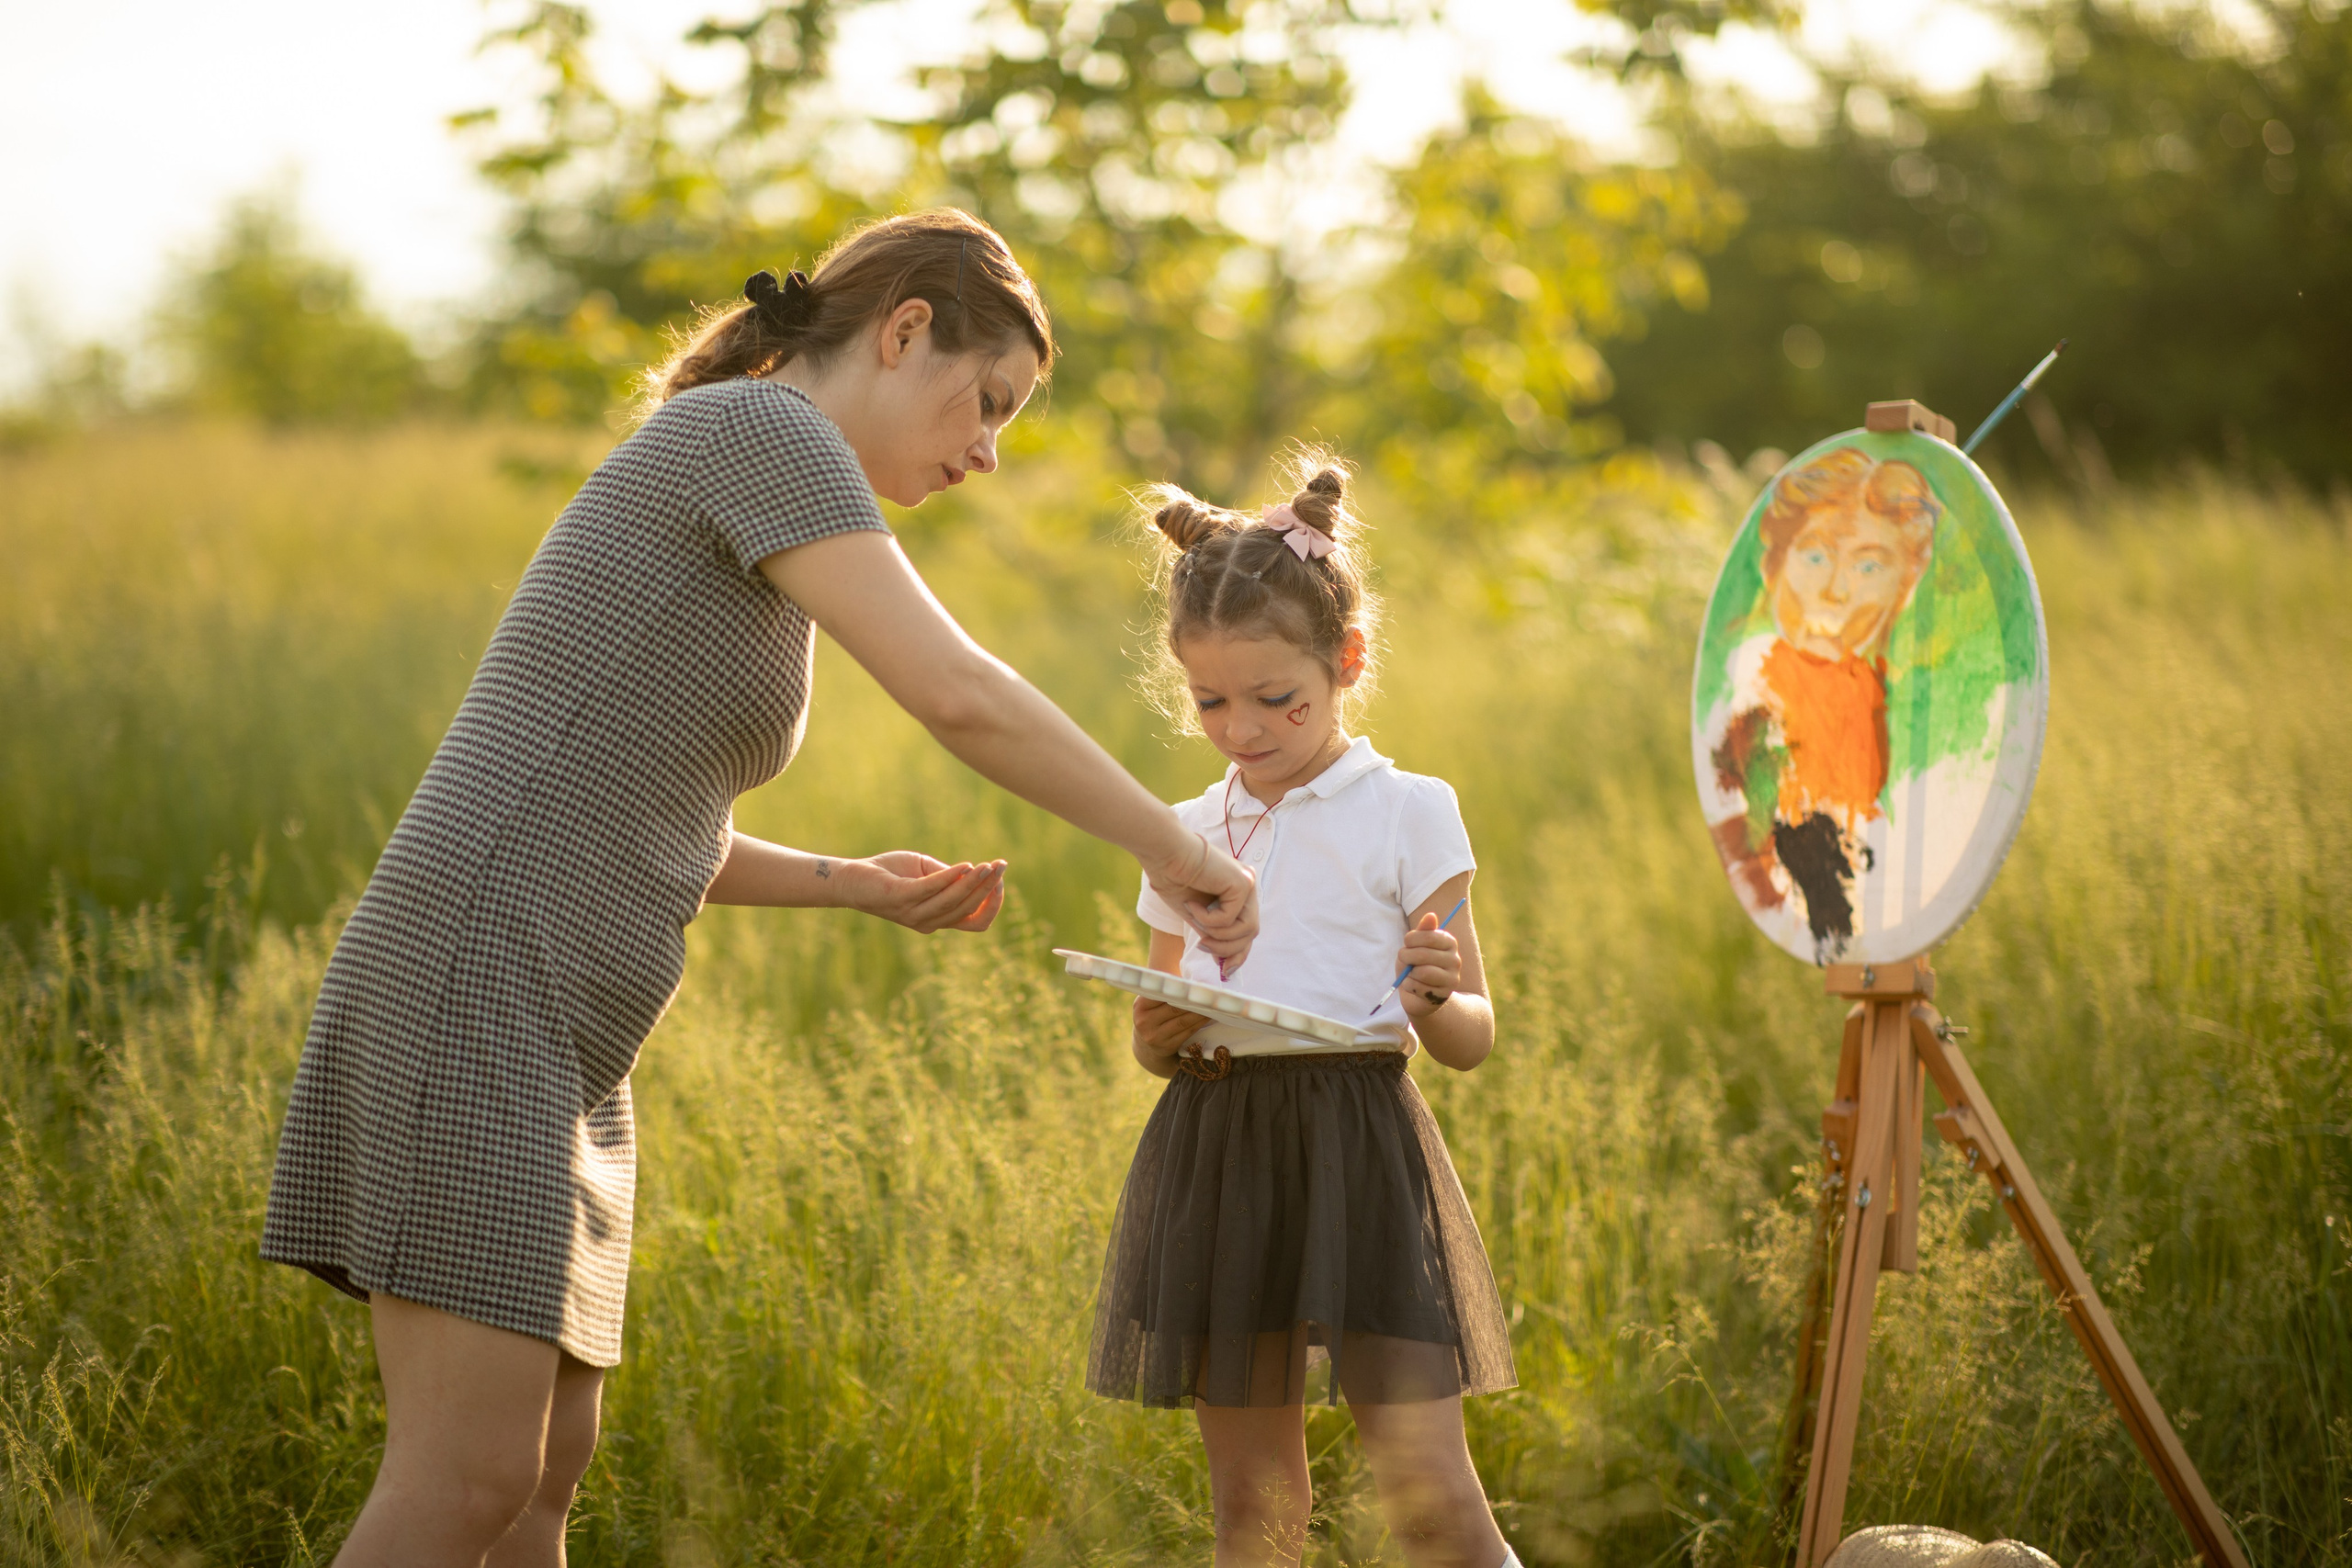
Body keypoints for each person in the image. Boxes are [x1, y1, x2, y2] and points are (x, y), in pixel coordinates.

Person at [258, 209, 1260, 1566]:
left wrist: (850, 882)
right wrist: (1177, 846)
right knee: (467, 1474)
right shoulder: (761, 433)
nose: (988, 448)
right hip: (481, 975)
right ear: (905, 328)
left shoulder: (768, 477)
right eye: (988, 401)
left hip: (564, 1029)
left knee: (542, 1479)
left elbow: (632, 802)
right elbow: (961, 695)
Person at [1085, 454, 1521, 1568]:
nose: (1242, 729)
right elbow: (1159, 1026)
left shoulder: (1409, 811)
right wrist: (1156, 1036)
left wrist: (1436, 999)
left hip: (1359, 1145)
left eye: (1277, 700)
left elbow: (1468, 1036)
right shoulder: (1179, 827)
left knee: (1429, 1489)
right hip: (1219, 1146)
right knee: (1257, 1508)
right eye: (1210, 702)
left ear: (1346, 664)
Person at [1702, 445, 1940, 958]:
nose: (1835, 590)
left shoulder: (1905, 714)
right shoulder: (1751, 712)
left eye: (1869, 566)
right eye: (1815, 556)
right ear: (1774, 565)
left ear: (1905, 587)